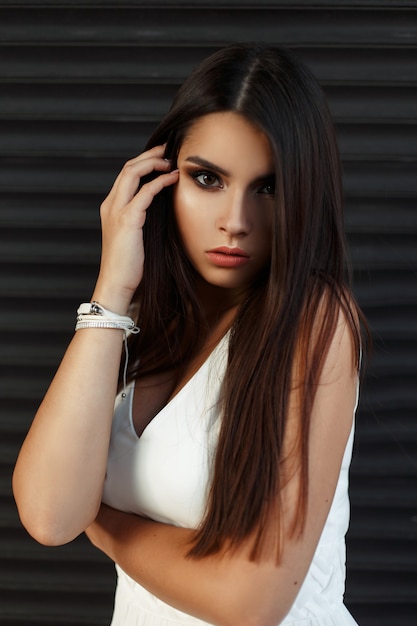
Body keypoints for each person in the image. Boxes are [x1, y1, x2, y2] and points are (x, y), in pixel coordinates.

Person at [13, 43, 368, 625]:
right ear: (163, 179)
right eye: (208, 179)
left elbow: (250, 602)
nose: (235, 221)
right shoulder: (144, 324)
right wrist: (111, 289)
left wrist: (103, 522)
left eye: (268, 188)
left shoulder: (316, 320)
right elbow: (51, 516)